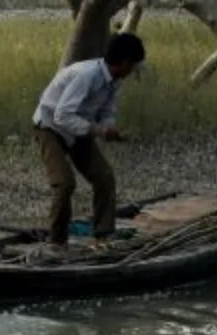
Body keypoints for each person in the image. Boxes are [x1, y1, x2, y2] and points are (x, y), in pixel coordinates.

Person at [31, 31, 146, 246]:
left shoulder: (114, 81)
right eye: (133, 65)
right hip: (50, 127)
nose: (133, 71)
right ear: (124, 62)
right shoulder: (86, 75)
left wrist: (110, 128)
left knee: (104, 177)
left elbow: (107, 110)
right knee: (64, 183)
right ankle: (56, 242)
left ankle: (103, 234)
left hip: (79, 129)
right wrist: (98, 131)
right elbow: (62, 115)